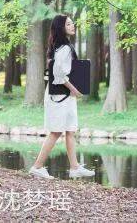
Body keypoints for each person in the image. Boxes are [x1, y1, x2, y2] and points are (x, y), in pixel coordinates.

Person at [28, 14, 94, 179]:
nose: (73, 26)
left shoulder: (63, 46)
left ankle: (74, 167)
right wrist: (74, 90)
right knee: (56, 132)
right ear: (61, 28)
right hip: (59, 96)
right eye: (69, 24)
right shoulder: (64, 48)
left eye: (72, 23)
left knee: (70, 130)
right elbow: (59, 75)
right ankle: (37, 166)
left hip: (64, 95)